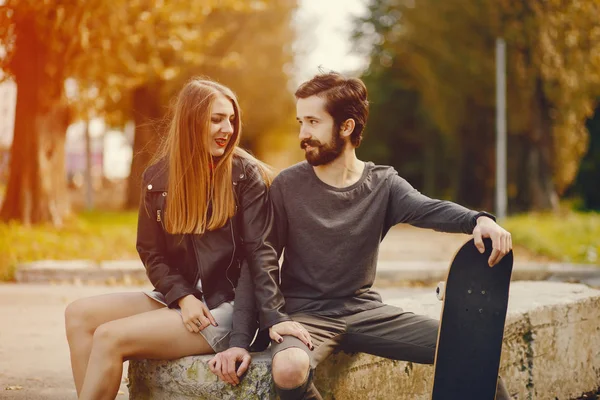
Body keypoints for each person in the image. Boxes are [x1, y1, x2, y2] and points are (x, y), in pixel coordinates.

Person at [209, 71, 513, 399]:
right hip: (305, 316)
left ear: (346, 126)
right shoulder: (287, 186)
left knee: (473, 349)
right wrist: (240, 341)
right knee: (288, 368)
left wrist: (479, 220)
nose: (303, 134)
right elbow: (259, 260)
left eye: (312, 122)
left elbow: (428, 209)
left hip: (365, 312)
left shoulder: (383, 184)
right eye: (300, 122)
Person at [64, 77, 309, 400]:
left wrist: (269, 320)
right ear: (191, 121)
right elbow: (151, 251)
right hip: (183, 298)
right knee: (78, 313)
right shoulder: (157, 178)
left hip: (227, 306)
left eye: (231, 119)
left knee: (110, 336)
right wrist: (182, 297)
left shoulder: (244, 176)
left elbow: (259, 255)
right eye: (217, 119)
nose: (228, 129)